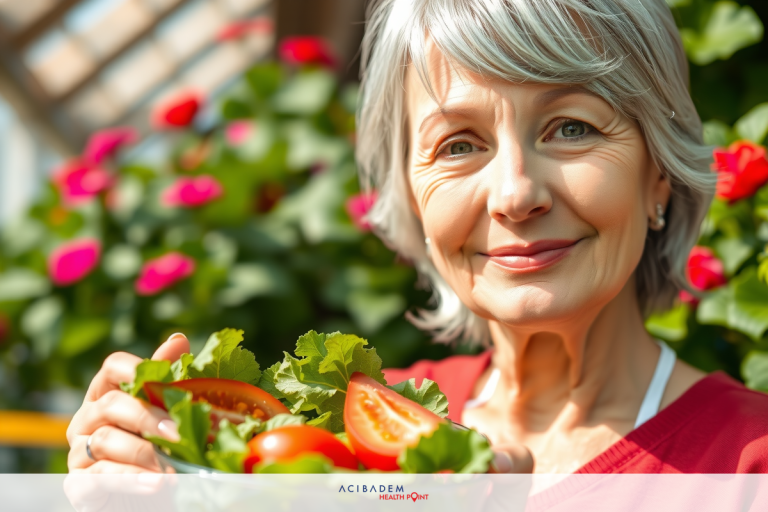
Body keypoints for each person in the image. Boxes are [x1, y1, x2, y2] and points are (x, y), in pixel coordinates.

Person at [67, 0, 768, 475]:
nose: (516, 194)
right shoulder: (345, 425)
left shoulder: (748, 464)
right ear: (409, 194)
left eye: (573, 128)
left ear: (659, 175)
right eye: (459, 144)